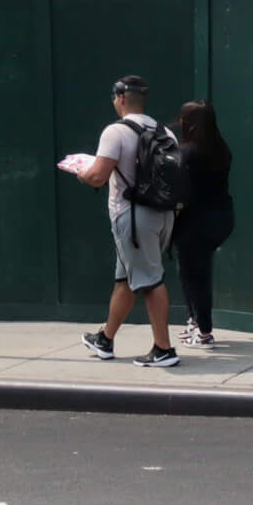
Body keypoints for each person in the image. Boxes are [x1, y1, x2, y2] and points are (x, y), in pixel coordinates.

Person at [74, 75, 178, 367]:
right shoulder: (165, 131)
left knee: (150, 281)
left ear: (120, 99)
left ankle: (164, 349)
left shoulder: (115, 132)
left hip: (132, 218)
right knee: (126, 280)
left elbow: (98, 175)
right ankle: (105, 339)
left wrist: (81, 172)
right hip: (162, 214)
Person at [171, 101, 235, 347]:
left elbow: (180, 192)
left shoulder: (186, 152)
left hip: (194, 221)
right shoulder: (222, 149)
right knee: (192, 270)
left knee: (194, 274)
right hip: (222, 217)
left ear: (188, 122)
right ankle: (194, 322)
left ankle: (203, 329)